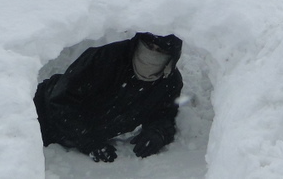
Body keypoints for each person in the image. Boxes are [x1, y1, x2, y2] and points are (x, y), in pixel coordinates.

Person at [33, 32, 183, 162]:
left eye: (160, 51)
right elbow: (62, 100)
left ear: (171, 57)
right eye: (148, 46)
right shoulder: (107, 58)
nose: (151, 55)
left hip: (79, 139)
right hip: (40, 113)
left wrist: (157, 133)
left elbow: (165, 113)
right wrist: (87, 140)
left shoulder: (169, 82)